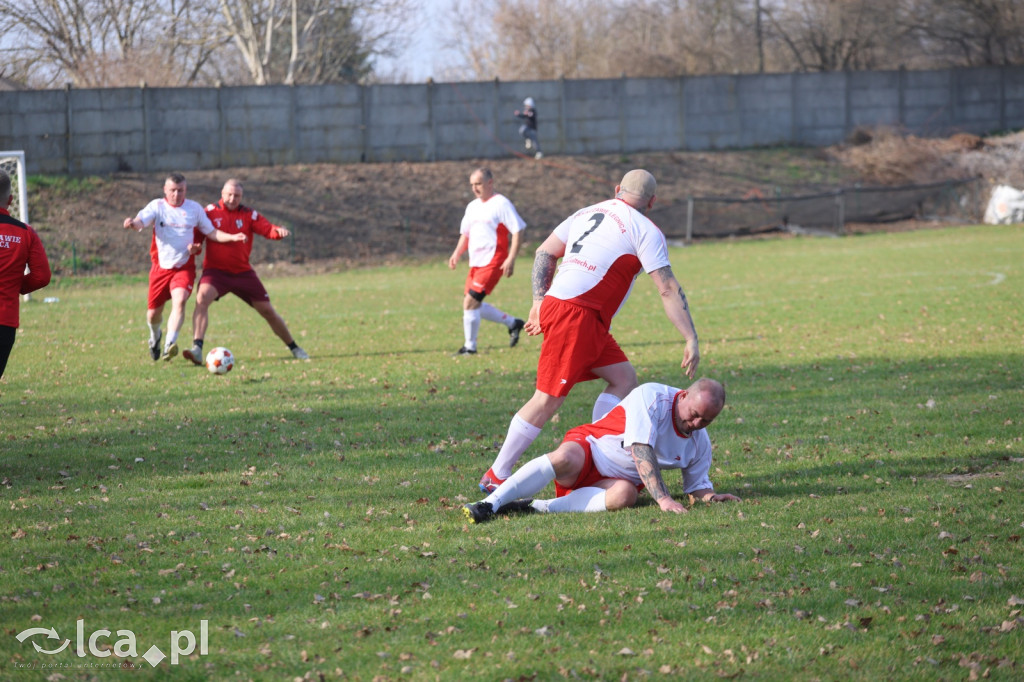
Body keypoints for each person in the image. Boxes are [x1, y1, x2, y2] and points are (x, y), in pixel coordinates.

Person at [478, 169, 701, 493]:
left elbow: (544, 251)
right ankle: (497, 475)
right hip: (578, 314)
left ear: (616, 190)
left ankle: (597, 451)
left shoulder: (586, 212)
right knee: (547, 399)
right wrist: (691, 337)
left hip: (579, 313)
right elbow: (667, 288)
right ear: (652, 202)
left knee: (624, 378)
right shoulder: (646, 230)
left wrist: (540, 299)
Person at [463, 379, 739, 522]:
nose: (696, 424)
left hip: (615, 480)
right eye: (694, 414)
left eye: (706, 420)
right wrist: (664, 499)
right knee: (563, 457)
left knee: (626, 496)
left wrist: (711, 497)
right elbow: (641, 449)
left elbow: (696, 486)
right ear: (683, 395)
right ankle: (489, 504)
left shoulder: (699, 441)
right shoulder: (653, 397)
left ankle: (535, 507)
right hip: (591, 449)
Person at [181, 179, 309, 365]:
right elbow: (198, 240)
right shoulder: (209, 213)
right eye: (229, 194)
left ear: (241, 196)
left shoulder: (249, 214)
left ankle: (294, 347)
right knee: (202, 298)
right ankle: (198, 349)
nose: (233, 198)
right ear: (222, 193)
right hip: (216, 273)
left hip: (243, 273)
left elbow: (267, 228)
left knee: (267, 310)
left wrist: (277, 232)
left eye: (237, 195)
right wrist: (195, 248)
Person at [123, 172, 246, 362]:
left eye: (180, 190)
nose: (176, 194)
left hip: (184, 267)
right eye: (172, 190)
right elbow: (141, 221)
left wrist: (231, 237)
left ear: (185, 190)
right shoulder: (157, 206)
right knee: (153, 314)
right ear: (165, 190)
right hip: (160, 269)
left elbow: (212, 232)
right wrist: (132, 224)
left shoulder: (194, 209)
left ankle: (168, 346)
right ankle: (155, 338)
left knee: (179, 301)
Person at [447, 168, 527, 355]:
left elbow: (518, 229)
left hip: (494, 260)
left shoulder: (501, 204)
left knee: (470, 302)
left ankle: (470, 348)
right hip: (476, 262)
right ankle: (513, 323)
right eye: (472, 185)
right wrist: (457, 253)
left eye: (478, 184)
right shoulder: (472, 206)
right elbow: (465, 234)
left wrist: (511, 258)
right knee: (473, 304)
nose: (475, 188)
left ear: (490, 183)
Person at [0, 170, 51, 381]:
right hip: (5, 320)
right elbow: (42, 276)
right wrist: (17, 285)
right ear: (11, 200)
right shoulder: (25, 232)